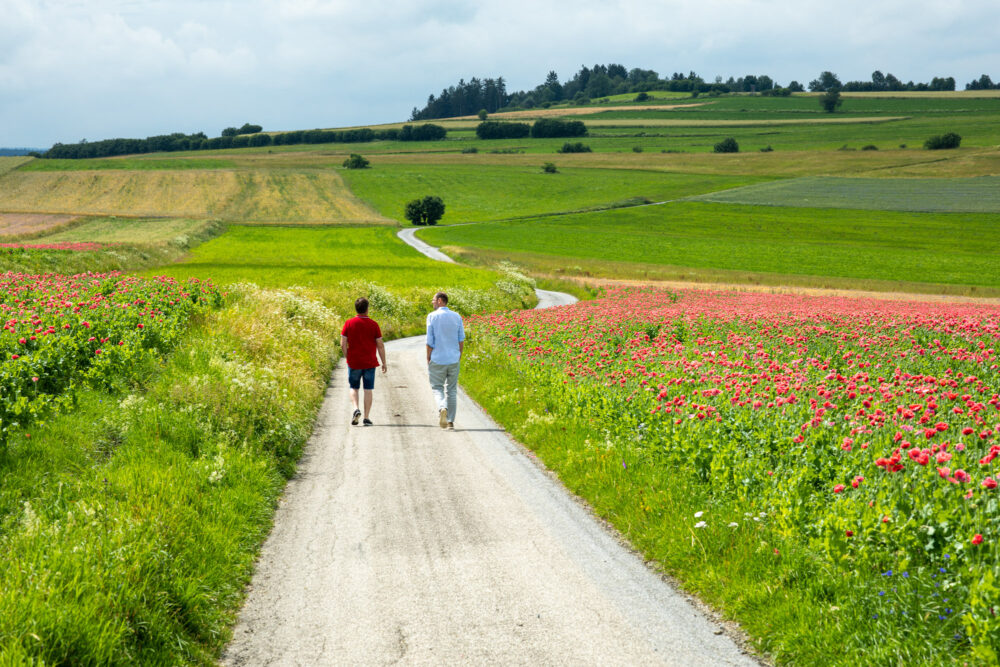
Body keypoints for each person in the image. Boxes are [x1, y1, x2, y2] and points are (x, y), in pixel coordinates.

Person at [341, 297, 387, 426]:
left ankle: (356, 409)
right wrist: (384, 362)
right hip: (370, 362)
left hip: (354, 362)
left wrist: (347, 357)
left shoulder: (348, 323)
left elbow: (342, 343)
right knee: (368, 389)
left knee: (354, 387)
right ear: (367, 309)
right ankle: (366, 417)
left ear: (356, 308)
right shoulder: (374, 324)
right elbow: (380, 345)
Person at [426, 291, 465, 430]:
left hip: (438, 358)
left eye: (434, 300)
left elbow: (430, 341)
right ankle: (450, 421)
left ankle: (442, 407)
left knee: (437, 388)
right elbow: (461, 339)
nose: (432, 302)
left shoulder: (432, 317)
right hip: (453, 358)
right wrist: (458, 355)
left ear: (440, 301)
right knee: (452, 390)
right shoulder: (457, 316)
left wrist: (428, 357)